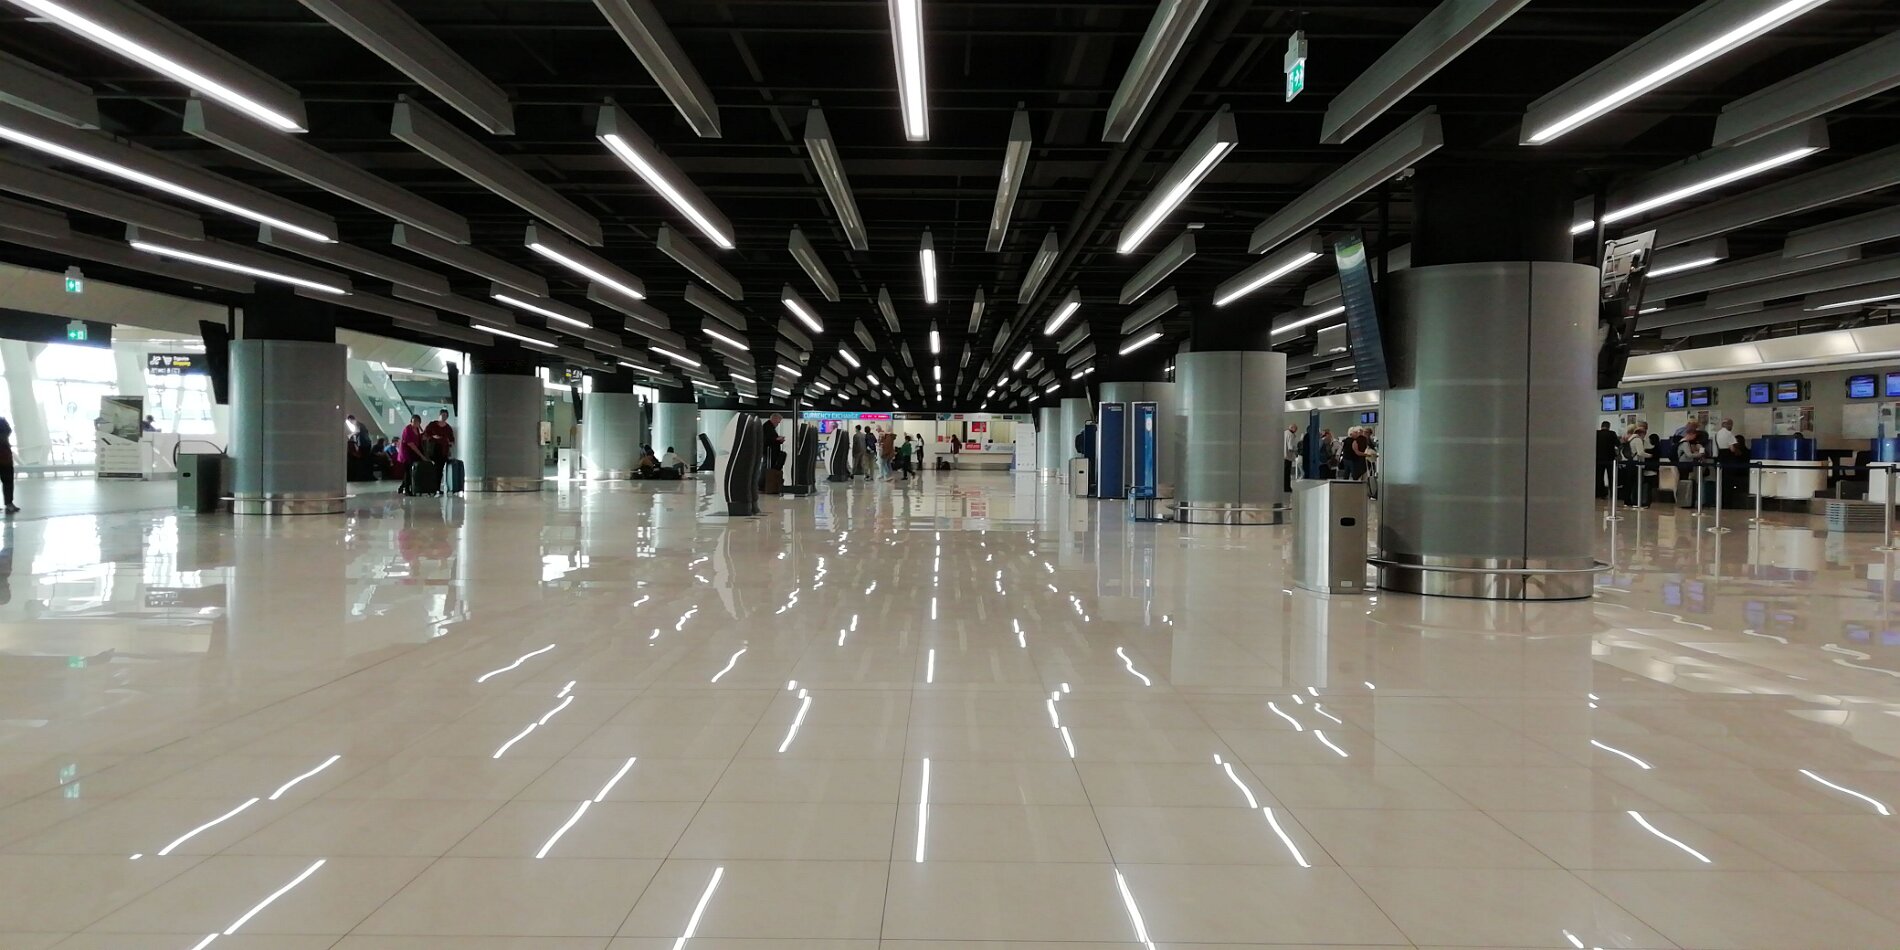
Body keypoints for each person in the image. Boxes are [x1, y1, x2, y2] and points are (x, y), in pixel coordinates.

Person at [397, 414, 426, 494]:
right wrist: (421, 456)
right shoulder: (407, 429)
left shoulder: (417, 429)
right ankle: (407, 489)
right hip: (406, 453)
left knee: (411, 471)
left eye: (417, 422)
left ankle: (402, 487)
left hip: (413, 453)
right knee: (408, 471)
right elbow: (411, 444)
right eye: (413, 421)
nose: (415, 423)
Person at [1596, 421, 1620, 499]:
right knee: (1611, 477)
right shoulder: (1612, 434)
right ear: (1609, 427)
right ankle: (1613, 493)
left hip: (1598, 459)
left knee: (1599, 477)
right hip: (1610, 458)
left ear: (1601, 426)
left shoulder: (1597, 433)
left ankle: (1600, 494)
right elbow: (1618, 444)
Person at [0, 415, 16, 514]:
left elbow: (8, 431)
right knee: (8, 482)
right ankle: (9, 504)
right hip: (5, 459)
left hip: (5, 458)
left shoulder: (2, 420)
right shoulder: (2, 421)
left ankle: (9, 503)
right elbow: (8, 431)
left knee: (8, 482)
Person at [1284, 424, 1299, 492]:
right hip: (1288, 457)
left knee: (1283, 474)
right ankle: (1287, 488)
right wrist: (1296, 449)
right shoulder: (1291, 435)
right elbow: (1290, 447)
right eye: (1296, 429)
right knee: (1287, 474)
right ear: (1293, 428)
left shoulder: (1284, 433)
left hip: (1282, 456)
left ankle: (1283, 487)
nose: (1296, 431)